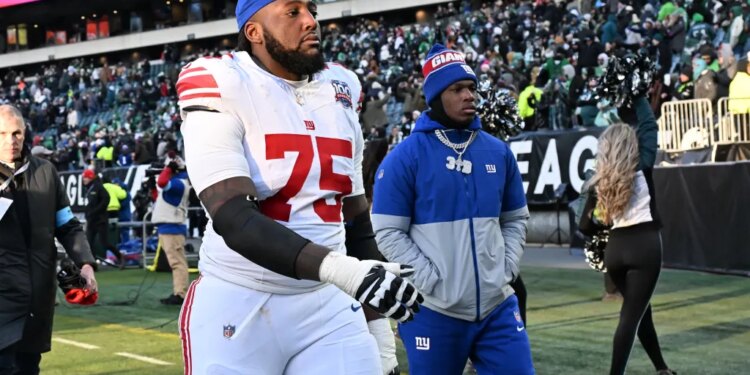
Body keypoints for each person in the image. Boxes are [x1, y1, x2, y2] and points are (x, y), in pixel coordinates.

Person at [176, 1, 422, 374]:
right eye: (292, 12)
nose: (310, 21)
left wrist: (378, 329)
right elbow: (232, 217)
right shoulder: (221, 80)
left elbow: (353, 214)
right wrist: (346, 273)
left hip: (328, 303)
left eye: (310, 10)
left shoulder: (341, 88)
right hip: (241, 299)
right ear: (254, 32)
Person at [371, 44, 534, 375]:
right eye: (457, 89)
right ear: (435, 96)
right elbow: (388, 231)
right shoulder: (404, 157)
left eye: (471, 88)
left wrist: (505, 269)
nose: (469, 96)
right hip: (433, 311)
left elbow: (515, 219)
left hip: (497, 308)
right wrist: (430, 280)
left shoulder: (498, 152)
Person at [0, 104, 98, 374]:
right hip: (3, 295)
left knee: (29, 368)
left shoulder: (46, 172)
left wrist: (86, 262)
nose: (11, 140)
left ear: (25, 132)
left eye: (17, 133)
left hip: (38, 293)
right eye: (3, 133)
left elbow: (67, 224)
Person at [585, 96, 676, 375]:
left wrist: (600, 219)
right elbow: (649, 126)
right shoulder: (643, 165)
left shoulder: (598, 180)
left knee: (639, 311)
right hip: (644, 247)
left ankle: (661, 368)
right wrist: (637, 97)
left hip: (615, 251)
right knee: (629, 318)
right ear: (631, 146)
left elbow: (584, 226)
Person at [153, 153, 191, 305]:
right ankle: (179, 292)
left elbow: (162, 182)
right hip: (169, 228)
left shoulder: (178, 183)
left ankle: (181, 294)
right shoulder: (179, 182)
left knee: (178, 263)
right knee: (176, 262)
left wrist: (168, 168)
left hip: (172, 228)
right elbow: (163, 198)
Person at [82, 169, 125, 268]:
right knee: (89, 243)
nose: (84, 179)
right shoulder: (89, 188)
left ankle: (119, 256)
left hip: (100, 220)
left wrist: (96, 211)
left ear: (90, 177)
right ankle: (92, 264)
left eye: (85, 177)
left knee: (104, 242)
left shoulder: (98, 187)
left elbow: (106, 199)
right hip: (91, 220)